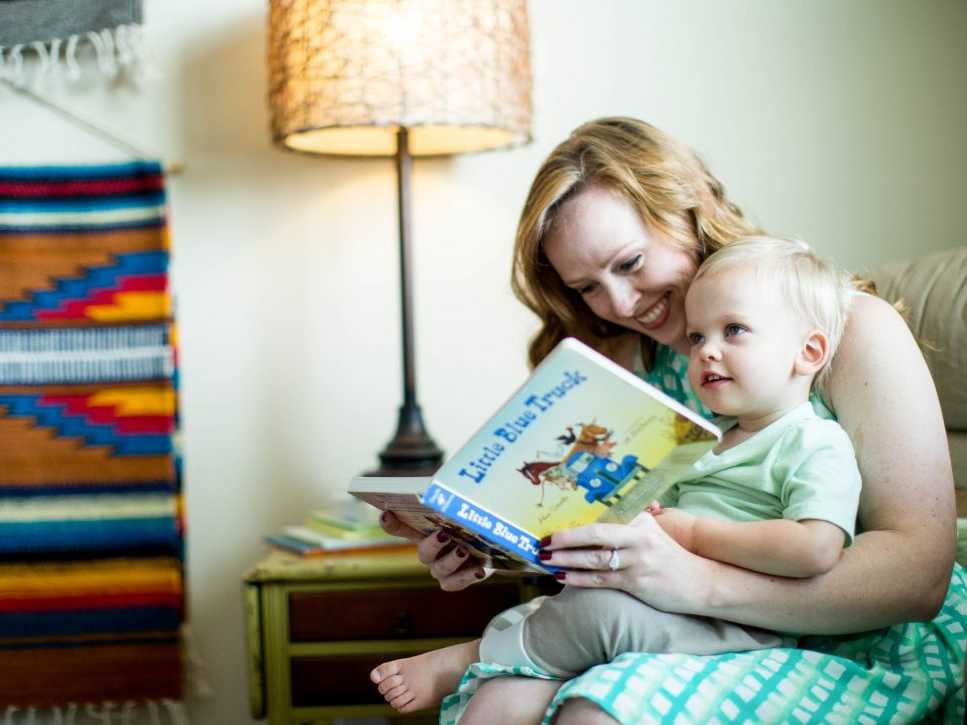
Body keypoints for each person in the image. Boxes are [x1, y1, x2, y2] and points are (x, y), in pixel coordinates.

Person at [378, 117, 964, 724]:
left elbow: (918, 580)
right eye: (588, 288)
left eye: (630, 262)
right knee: (496, 703)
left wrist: (693, 579)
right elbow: (585, 520)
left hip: (852, 635)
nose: (621, 304)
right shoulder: (627, 362)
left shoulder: (848, 330)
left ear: (693, 206)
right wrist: (483, 545)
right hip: (668, 620)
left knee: (593, 712)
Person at [371, 236, 864, 711]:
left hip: (737, 624)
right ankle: (495, 667)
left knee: (589, 615)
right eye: (697, 337)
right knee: (510, 681)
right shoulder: (702, 437)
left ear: (810, 352)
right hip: (661, 600)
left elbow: (816, 548)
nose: (706, 351)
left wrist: (690, 531)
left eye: (733, 330)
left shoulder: (814, 440)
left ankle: (469, 658)